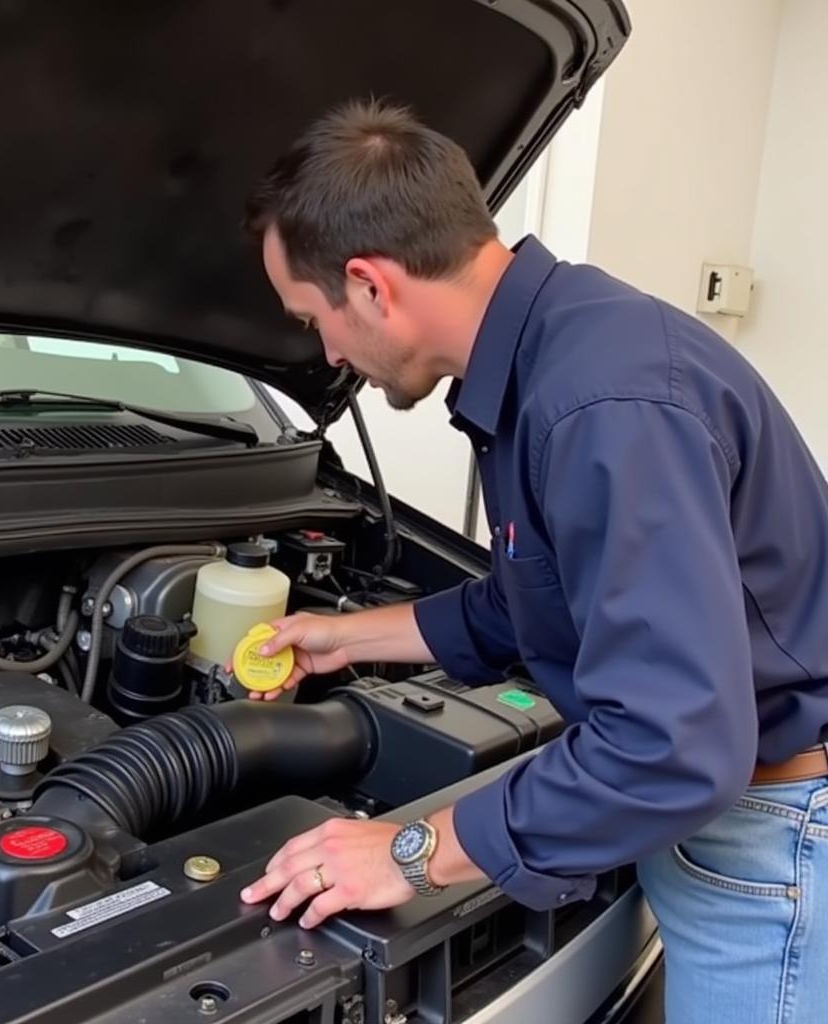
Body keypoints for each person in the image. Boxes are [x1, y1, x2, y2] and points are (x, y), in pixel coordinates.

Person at [235, 98, 828, 1023]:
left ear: (370, 284)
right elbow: (532, 600)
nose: (329, 353)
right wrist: (346, 638)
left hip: (771, 841)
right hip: (727, 825)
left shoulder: (601, 406)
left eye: (315, 321)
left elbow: (671, 750)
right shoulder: (556, 353)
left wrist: (403, 849)